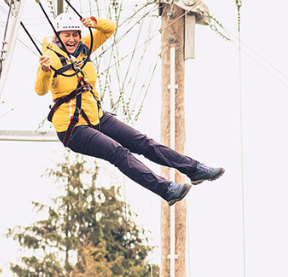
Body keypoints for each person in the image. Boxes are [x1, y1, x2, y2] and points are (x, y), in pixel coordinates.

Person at [35, 12, 224, 205]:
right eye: (66, 35)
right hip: (72, 128)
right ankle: (166, 190)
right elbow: (40, 90)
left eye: (75, 34)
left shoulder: (83, 49)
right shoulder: (50, 58)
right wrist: (45, 71)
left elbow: (109, 29)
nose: (72, 39)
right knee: (118, 152)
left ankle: (194, 169)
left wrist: (94, 22)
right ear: (57, 36)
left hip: (96, 117)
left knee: (142, 142)